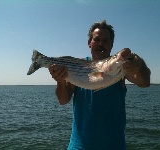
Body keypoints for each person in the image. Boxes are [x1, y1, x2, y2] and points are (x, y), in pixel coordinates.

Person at [49, 20, 151, 150]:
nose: (100, 44)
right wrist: (60, 80)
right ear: (89, 43)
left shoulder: (122, 68)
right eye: (96, 40)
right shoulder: (77, 67)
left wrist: (139, 64)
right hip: (79, 146)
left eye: (105, 41)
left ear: (111, 44)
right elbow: (63, 100)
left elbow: (144, 82)